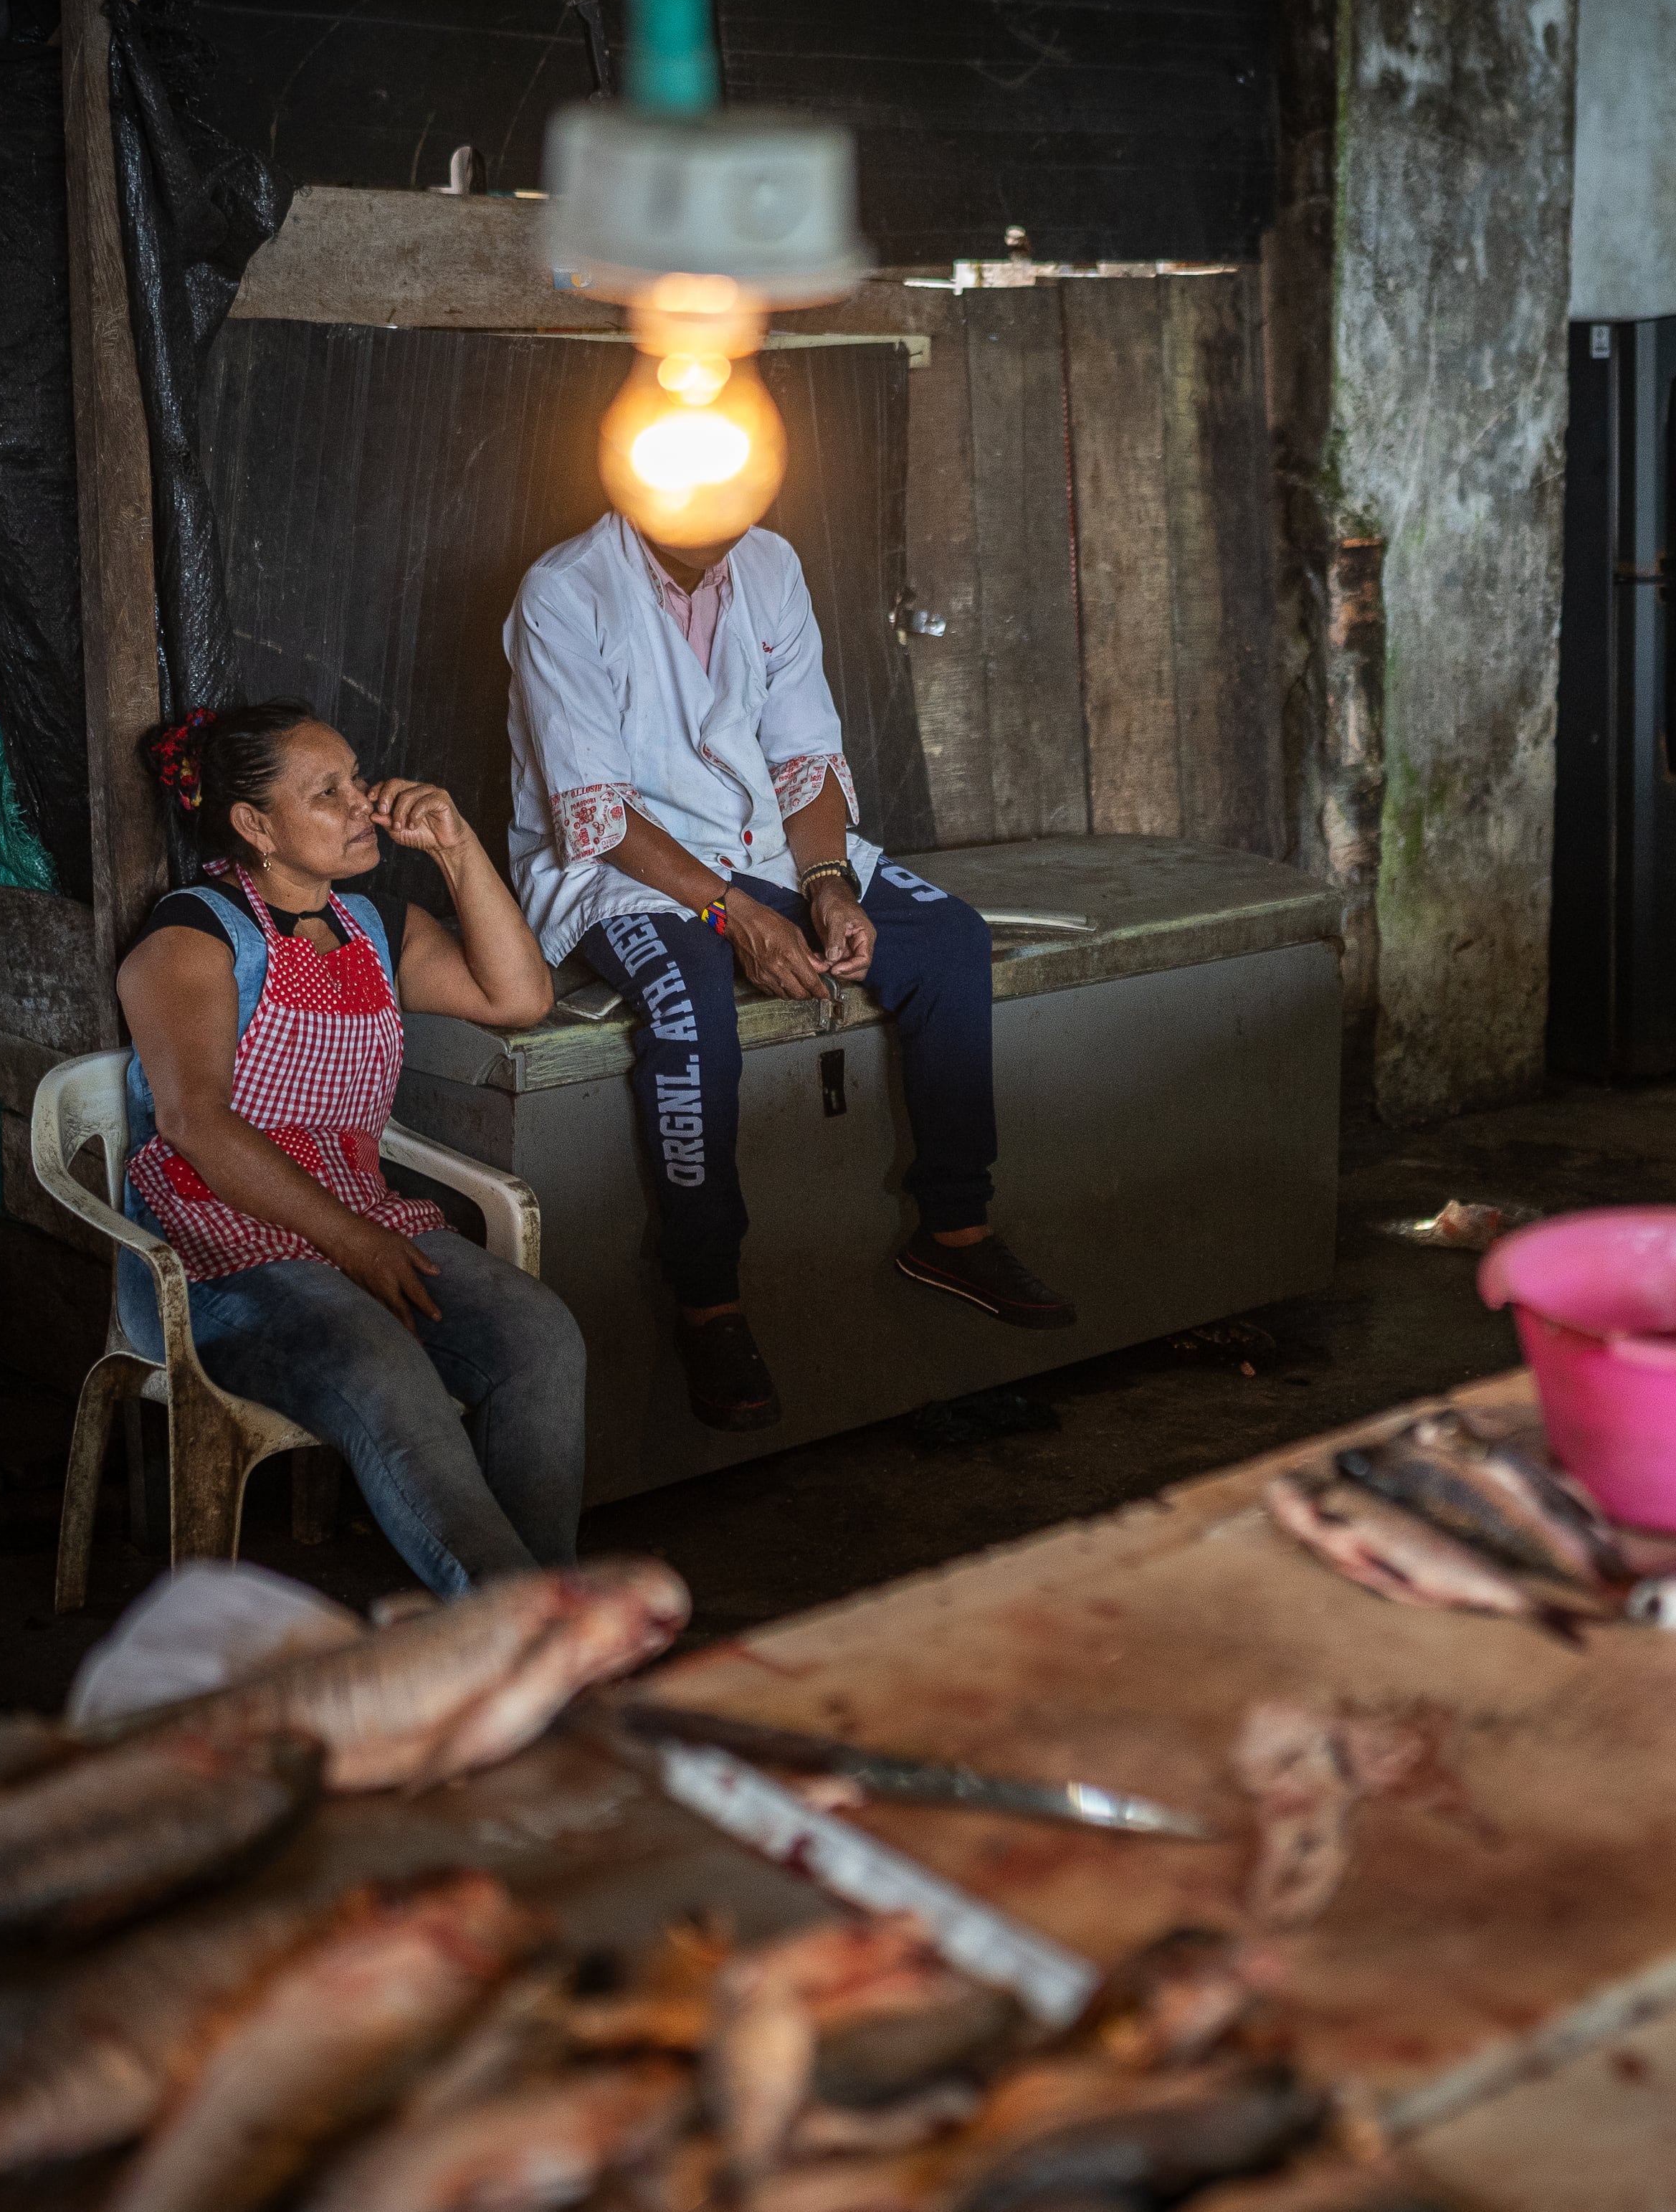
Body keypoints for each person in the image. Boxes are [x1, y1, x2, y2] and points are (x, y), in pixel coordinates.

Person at [503, 511, 1072, 1433]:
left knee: (950, 944)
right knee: (690, 1006)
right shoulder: (565, 589)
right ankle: (707, 1299)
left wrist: (827, 883)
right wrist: (737, 918)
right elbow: (598, 812)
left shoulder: (769, 564)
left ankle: (954, 1227)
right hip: (624, 876)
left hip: (768, 851)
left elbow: (805, 760)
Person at [117, 703, 580, 1595]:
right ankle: (518, 1624)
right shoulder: (190, 937)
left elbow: (518, 998)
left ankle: (543, 1609)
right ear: (254, 825)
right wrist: (351, 1243)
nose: (364, 804)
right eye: (326, 793)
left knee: (539, 1336)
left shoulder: (375, 925)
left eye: (357, 780)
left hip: (359, 1219)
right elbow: (196, 1126)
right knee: (382, 1364)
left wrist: (455, 848)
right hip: (214, 1254)